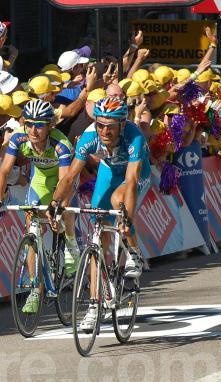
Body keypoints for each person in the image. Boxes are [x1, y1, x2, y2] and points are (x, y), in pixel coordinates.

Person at [56, 96, 149, 329]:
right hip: (109, 171)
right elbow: (69, 177)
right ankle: (95, 305)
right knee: (98, 228)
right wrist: (54, 203)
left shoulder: (134, 137)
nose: (105, 131)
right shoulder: (88, 138)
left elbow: (131, 179)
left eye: (111, 126)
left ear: (121, 125)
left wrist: (126, 216)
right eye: (100, 125)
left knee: (119, 202)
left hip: (134, 173)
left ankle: (134, 253)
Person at [0, 100, 78, 313]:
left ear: (50, 125)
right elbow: (3, 171)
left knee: (63, 208)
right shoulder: (19, 137)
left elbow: (64, 182)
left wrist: (55, 208)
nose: (33, 130)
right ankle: (34, 289)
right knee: (31, 228)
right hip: (39, 179)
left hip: (62, 180)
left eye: (39, 125)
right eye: (29, 124)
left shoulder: (61, 144)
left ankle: (70, 243)